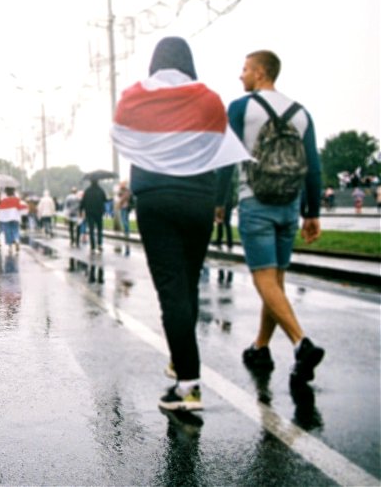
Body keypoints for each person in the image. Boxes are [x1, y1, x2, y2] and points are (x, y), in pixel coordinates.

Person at [112, 36, 250, 412]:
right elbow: (223, 156)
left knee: (172, 289)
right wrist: (220, 203)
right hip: (199, 202)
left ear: (155, 62)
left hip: (156, 201)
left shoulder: (135, 96)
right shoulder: (208, 99)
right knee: (187, 283)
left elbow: (124, 139)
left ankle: (189, 385)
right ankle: (181, 357)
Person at [216, 49, 325, 386]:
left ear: (260, 73)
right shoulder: (301, 113)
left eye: (245, 68)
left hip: (256, 201)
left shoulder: (240, 108)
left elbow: (225, 157)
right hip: (290, 204)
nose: (241, 75)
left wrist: (221, 202)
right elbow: (313, 167)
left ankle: (301, 343)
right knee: (275, 281)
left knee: (264, 279)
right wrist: (312, 212)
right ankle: (260, 347)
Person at [80, 178, 107, 253]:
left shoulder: (87, 191)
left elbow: (83, 202)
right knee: (99, 229)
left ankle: (92, 246)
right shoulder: (101, 190)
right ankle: (99, 244)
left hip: (90, 212)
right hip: (99, 212)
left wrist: (81, 210)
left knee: (91, 229)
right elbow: (105, 200)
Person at [0, 187, 25, 254]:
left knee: (8, 232)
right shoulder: (17, 199)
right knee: (15, 230)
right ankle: (17, 240)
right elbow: (19, 208)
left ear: (6, 193)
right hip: (15, 218)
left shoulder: (4, 200)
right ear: (13, 192)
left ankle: (10, 248)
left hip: (6, 219)